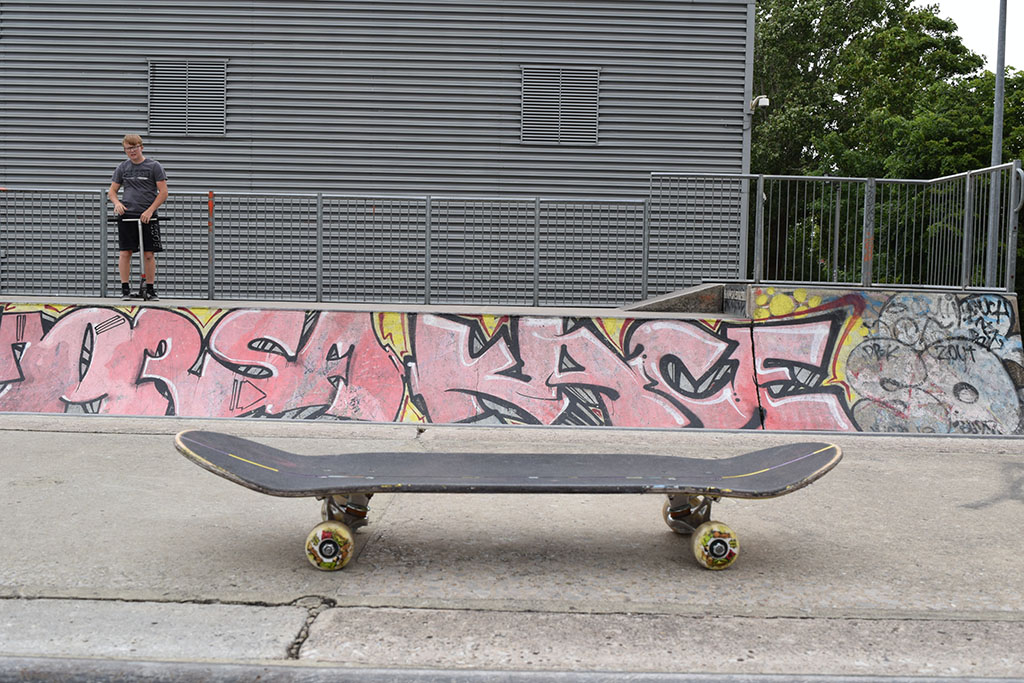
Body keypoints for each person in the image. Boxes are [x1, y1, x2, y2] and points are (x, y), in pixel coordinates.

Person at [107, 134, 168, 301]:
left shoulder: (154, 166)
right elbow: (112, 192)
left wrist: (150, 210)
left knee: (149, 253)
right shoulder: (122, 168)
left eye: (134, 147)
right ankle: (125, 289)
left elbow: (163, 193)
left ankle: (150, 289)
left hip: (148, 216)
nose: (131, 151)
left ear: (141, 147)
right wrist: (117, 203)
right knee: (125, 252)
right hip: (127, 215)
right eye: (128, 148)